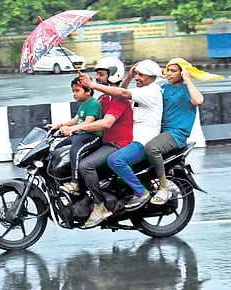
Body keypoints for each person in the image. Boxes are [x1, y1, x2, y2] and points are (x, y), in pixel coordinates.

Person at [61, 57, 133, 228]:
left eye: (101, 75)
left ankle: (100, 206)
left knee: (85, 165)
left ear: (113, 75)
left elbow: (106, 123)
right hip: (106, 142)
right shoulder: (103, 99)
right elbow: (83, 119)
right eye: (97, 75)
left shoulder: (118, 99)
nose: (97, 79)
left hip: (118, 144)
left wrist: (76, 129)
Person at [145, 57, 212, 205]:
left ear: (182, 73)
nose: (169, 73)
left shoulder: (187, 89)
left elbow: (198, 101)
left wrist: (188, 80)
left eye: (173, 71)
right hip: (160, 131)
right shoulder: (165, 88)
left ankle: (164, 187)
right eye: (168, 70)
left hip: (176, 134)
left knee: (152, 148)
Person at [99, 59, 164, 211]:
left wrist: (93, 85)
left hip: (143, 140)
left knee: (116, 160)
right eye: (136, 74)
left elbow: (121, 93)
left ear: (152, 78)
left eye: (141, 75)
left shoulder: (151, 91)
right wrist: (128, 78)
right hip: (131, 139)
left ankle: (142, 192)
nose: (137, 78)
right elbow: (120, 97)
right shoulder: (142, 90)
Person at [47, 77, 102, 195]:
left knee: (75, 150)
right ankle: (59, 178)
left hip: (92, 136)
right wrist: (58, 125)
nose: (74, 94)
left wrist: (71, 129)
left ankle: (75, 183)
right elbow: (75, 120)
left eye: (77, 91)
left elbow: (88, 123)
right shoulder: (83, 105)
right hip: (80, 134)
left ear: (88, 91)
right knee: (58, 148)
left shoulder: (93, 104)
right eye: (73, 91)